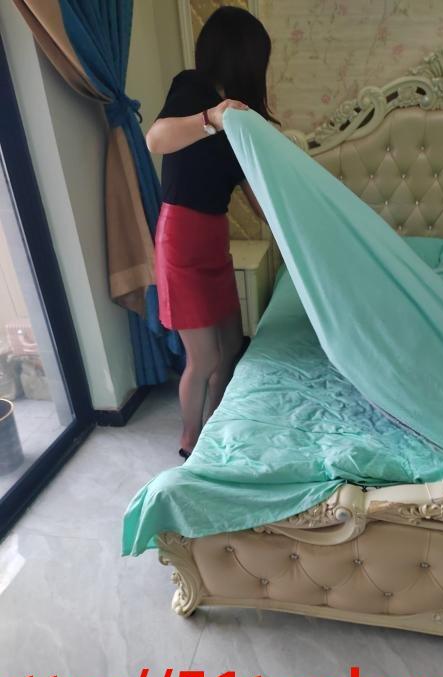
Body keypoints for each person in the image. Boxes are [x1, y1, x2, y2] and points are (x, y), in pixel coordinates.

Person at [146, 6, 277, 459]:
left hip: (213, 239)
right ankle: (190, 442)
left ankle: (214, 429)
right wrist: (211, 118)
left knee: (231, 346)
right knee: (203, 357)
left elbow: (257, 199)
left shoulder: (241, 118)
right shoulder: (193, 90)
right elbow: (156, 139)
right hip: (181, 238)